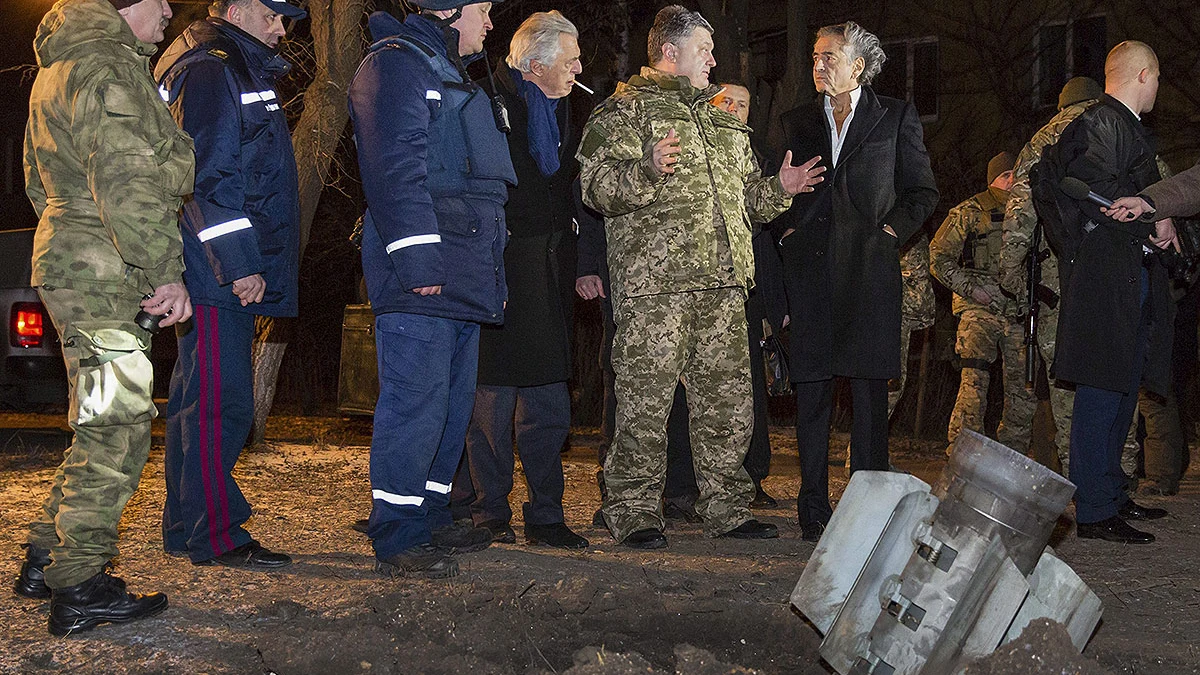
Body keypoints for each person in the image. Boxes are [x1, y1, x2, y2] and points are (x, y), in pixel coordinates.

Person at [578, 5, 824, 549]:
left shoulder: (721, 123)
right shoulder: (623, 112)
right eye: (705, 50)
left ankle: (727, 508)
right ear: (671, 51)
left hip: (723, 287)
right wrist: (643, 168)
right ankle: (634, 511)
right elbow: (596, 190)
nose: (714, 60)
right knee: (645, 404)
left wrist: (779, 190)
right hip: (655, 289)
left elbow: (746, 204)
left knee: (729, 404)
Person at [14, 0, 194, 635]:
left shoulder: (57, 68)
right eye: (160, 1)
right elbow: (127, 181)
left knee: (97, 417)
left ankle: (45, 558)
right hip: (104, 266)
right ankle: (80, 585)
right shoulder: (107, 69)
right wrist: (163, 270)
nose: (170, 11)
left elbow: (39, 182)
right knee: (116, 424)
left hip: (70, 256)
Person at [348, 0, 515, 578]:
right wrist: (417, 263)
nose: (490, 24)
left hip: (462, 272)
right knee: (415, 404)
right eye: (483, 11)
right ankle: (397, 531)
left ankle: (432, 516)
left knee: (449, 404)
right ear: (449, 11)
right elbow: (394, 169)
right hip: (427, 276)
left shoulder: (439, 68)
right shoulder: (396, 65)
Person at [154, 0, 307, 571]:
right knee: (223, 404)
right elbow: (210, 176)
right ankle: (216, 535)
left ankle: (186, 525)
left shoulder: (226, 65)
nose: (281, 27)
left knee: (197, 400)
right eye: (272, 13)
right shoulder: (215, 68)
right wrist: (238, 262)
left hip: (211, 266)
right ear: (237, 9)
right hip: (217, 269)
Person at [775, 21, 938, 541]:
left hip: (869, 274)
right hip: (812, 274)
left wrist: (889, 233)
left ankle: (871, 511)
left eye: (829, 56)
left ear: (859, 66)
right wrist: (789, 230)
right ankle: (813, 508)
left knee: (869, 397)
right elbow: (773, 189)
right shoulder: (796, 120)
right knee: (814, 395)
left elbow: (922, 191)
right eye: (815, 56)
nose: (818, 64)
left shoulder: (894, 117)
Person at [449, 10, 588, 549]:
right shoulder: (486, 103)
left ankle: (546, 514)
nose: (580, 66)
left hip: (551, 268)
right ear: (534, 66)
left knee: (549, 397)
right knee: (493, 397)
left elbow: (576, 193)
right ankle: (489, 508)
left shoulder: (573, 112)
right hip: (499, 264)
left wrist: (587, 265)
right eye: (570, 59)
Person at [1046, 41, 1174, 544]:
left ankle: (1111, 492)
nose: (1160, 89)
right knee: (1102, 386)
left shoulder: (1120, 127)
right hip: (1107, 276)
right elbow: (1095, 198)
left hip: (1123, 274)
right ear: (1143, 75)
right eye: (1159, 78)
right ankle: (1096, 509)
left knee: (1120, 383)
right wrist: (1148, 220)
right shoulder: (1104, 123)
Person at [661, 81, 786, 519]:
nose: (734, 109)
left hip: (741, 291)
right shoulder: (682, 144)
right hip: (684, 289)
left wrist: (774, 305)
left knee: (742, 390)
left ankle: (747, 480)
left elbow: (767, 242)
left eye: (743, 104)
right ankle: (678, 485)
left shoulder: (753, 158)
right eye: (725, 101)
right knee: (678, 393)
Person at [998, 76, 1105, 477]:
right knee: (1112, 373)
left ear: (1061, 105)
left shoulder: (1046, 137)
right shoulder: (1115, 124)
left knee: (1065, 379)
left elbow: (1021, 207)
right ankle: (1119, 474)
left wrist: (1011, 272)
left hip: (1058, 276)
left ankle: (1079, 477)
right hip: (1114, 270)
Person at [930, 152, 1037, 455]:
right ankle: (963, 453)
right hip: (979, 311)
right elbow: (937, 256)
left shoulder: (1031, 212)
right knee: (974, 385)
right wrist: (970, 289)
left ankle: (1010, 459)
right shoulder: (970, 211)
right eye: (1008, 175)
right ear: (996, 179)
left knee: (1023, 391)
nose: (1015, 180)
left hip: (1018, 313)